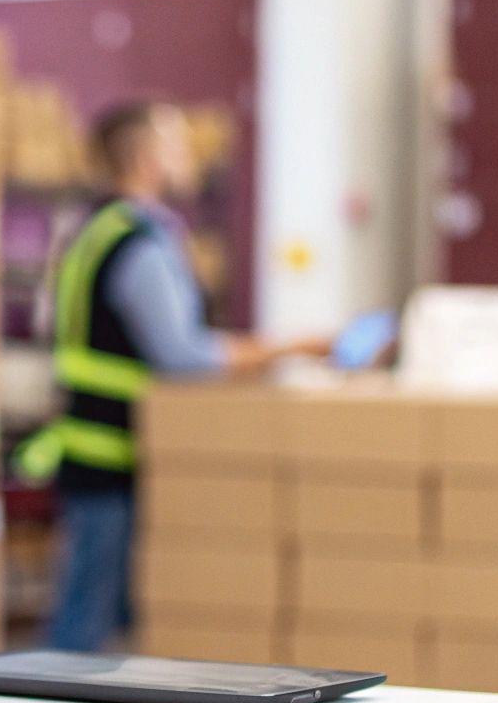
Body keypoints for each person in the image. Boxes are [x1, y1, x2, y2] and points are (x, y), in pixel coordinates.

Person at [17, 100, 329, 652]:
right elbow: (183, 355)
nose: (190, 157)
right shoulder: (138, 241)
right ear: (144, 158)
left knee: (90, 614)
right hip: (117, 455)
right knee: (88, 627)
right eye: (176, 144)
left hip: (90, 446)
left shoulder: (95, 227)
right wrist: (294, 347)